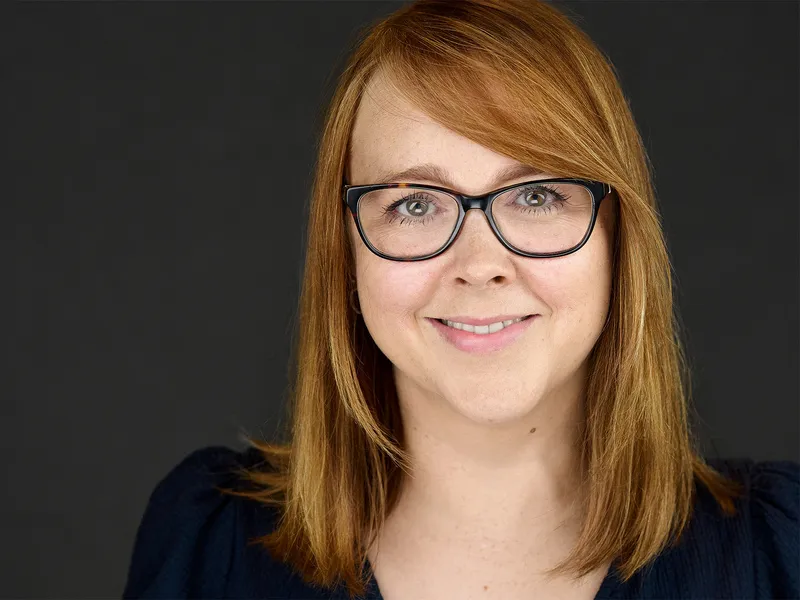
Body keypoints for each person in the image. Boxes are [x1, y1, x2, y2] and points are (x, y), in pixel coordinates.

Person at [122, 0, 799, 598]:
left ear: (619, 238)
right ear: (347, 250)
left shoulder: (780, 555)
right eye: (414, 204)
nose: (480, 266)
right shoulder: (206, 547)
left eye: (537, 195)